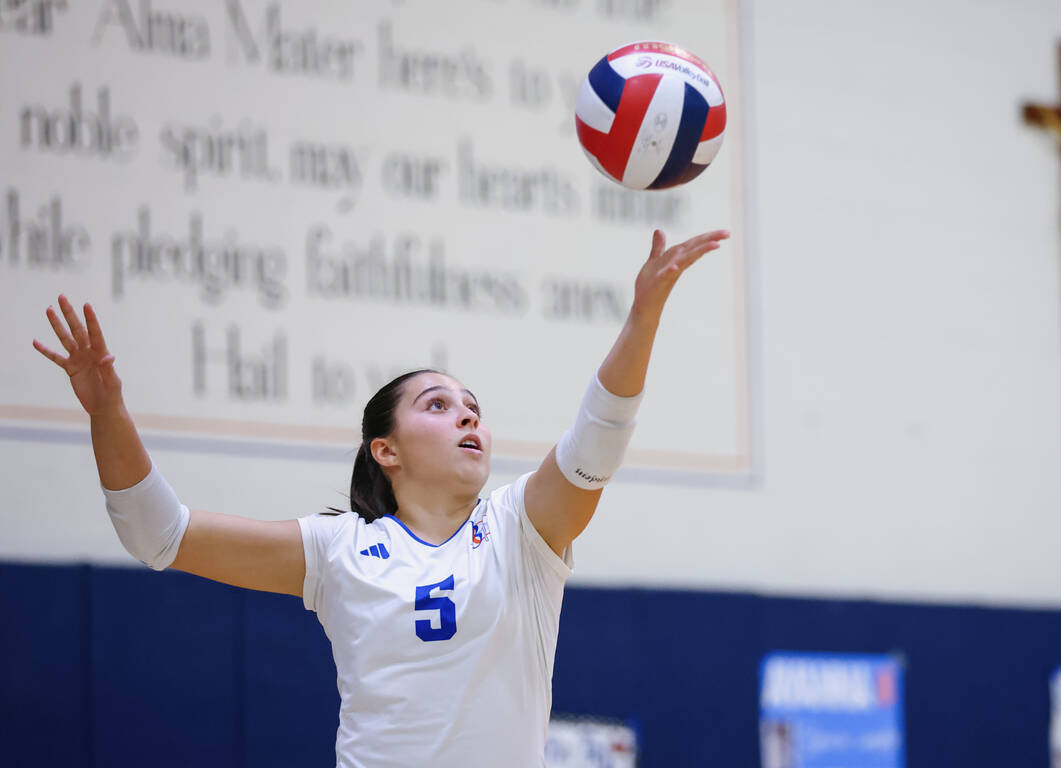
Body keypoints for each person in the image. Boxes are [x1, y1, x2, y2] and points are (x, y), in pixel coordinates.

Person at [32, 228, 729, 767]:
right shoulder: (339, 550)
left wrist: (642, 318)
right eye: (438, 404)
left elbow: (595, 443)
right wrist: (106, 412)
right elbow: (158, 534)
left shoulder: (521, 531)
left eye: (473, 407)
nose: (467, 417)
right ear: (385, 451)